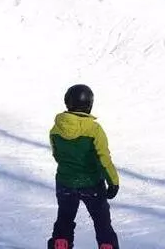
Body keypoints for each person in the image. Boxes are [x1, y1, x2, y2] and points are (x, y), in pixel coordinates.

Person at [47, 84, 120, 249]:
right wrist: (113, 181)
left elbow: (57, 155)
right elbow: (104, 158)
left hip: (65, 182)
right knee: (102, 222)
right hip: (92, 183)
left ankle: (60, 244)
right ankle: (107, 246)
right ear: (89, 105)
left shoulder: (56, 129)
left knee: (64, 219)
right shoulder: (94, 129)